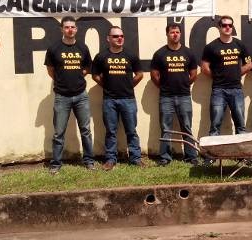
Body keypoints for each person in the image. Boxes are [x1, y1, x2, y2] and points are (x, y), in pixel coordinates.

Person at [44, 16, 95, 174]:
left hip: (81, 95)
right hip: (62, 97)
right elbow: (51, 71)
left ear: (76, 29)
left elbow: (87, 67)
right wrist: (62, 80)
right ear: (62, 29)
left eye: (73, 27)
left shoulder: (83, 47)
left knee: (85, 130)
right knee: (59, 132)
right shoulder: (54, 48)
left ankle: (89, 161)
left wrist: (78, 77)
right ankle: (56, 164)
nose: (70, 30)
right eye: (67, 27)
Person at [92, 25, 144, 169]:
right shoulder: (101, 56)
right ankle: (110, 159)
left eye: (121, 36)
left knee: (132, 130)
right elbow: (95, 75)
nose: (119, 38)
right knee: (110, 131)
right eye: (115, 36)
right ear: (108, 38)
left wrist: (129, 85)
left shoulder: (131, 55)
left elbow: (140, 74)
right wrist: (106, 85)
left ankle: (135, 158)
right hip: (109, 100)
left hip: (128, 99)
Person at [150, 23, 199, 166]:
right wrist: (164, 86)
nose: (175, 34)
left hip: (184, 95)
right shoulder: (160, 54)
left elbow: (193, 73)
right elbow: (154, 75)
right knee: (166, 128)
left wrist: (184, 84)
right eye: (172, 32)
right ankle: (165, 157)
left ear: (180, 34)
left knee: (187, 127)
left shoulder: (188, 53)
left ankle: (191, 156)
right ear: (167, 34)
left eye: (177, 32)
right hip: (166, 97)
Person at [201, 15, 252, 143]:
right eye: (224, 25)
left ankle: (243, 155)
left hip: (236, 89)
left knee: (240, 125)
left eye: (230, 25)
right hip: (219, 90)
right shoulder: (211, 47)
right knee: (215, 125)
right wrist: (218, 75)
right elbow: (204, 67)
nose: (228, 27)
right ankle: (212, 156)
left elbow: (249, 64)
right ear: (219, 27)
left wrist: (236, 74)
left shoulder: (239, 44)